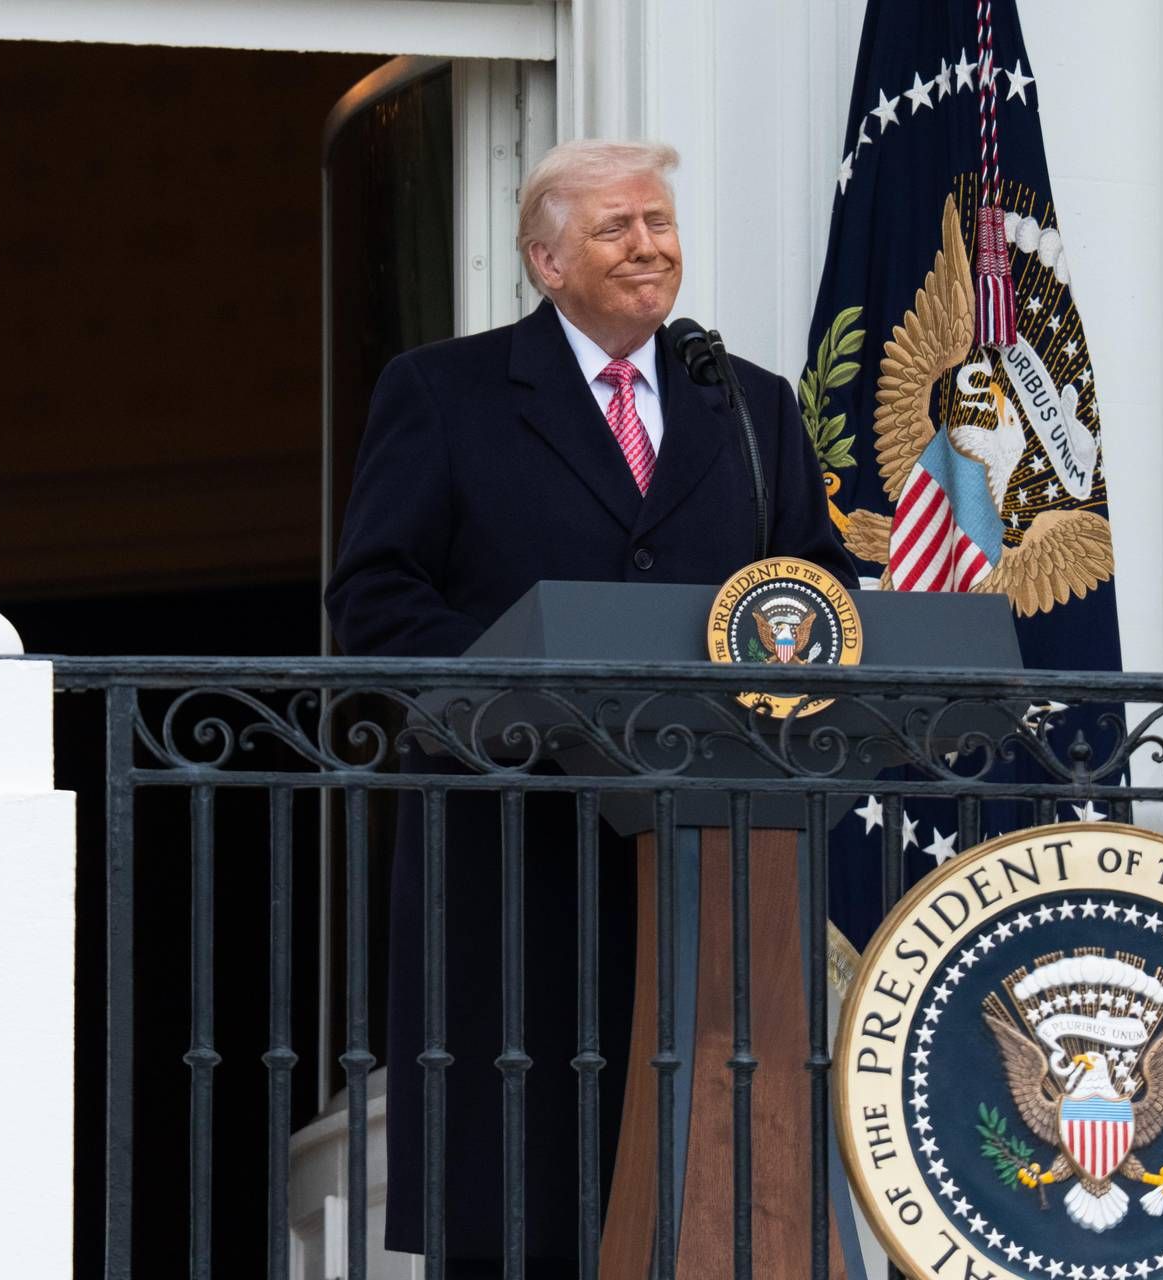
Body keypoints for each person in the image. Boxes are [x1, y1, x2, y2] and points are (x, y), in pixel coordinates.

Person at [325, 138, 854, 1276]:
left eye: (660, 222)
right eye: (617, 228)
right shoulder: (444, 391)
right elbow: (374, 594)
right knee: (523, 1195)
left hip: (708, 856)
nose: (649, 246)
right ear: (546, 260)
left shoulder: (748, 404)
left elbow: (814, 586)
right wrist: (519, 693)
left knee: (707, 1194)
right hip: (511, 841)